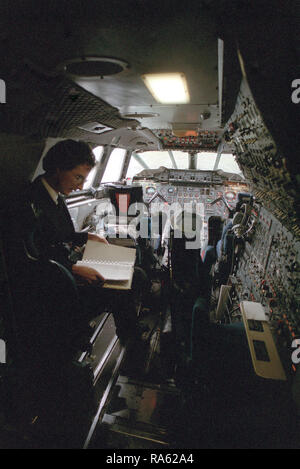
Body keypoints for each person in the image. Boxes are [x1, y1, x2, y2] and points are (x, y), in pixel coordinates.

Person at [26, 139, 139, 343]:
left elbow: (61, 235)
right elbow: (31, 258)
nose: (80, 186)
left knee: (133, 271)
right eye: (78, 177)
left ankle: (130, 335)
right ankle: (131, 342)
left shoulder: (55, 195)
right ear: (58, 168)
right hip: (57, 285)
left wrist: (88, 236)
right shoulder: (31, 202)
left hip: (67, 269)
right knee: (126, 285)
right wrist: (73, 269)